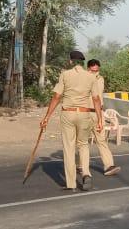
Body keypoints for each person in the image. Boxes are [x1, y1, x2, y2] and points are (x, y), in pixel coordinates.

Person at [40, 50, 103, 191]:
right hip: (85, 114)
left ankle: (71, 184)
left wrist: (47, 117)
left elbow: (56, 96)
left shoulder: (65, 75)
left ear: (71, 62)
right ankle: (86, 173)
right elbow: (96, 99)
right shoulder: (91, 77)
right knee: (83, 145)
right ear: (83, 63)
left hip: (68, 113)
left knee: (69, 147)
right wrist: (100, 119)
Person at [87, 59, 121, 177]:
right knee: (81, 141)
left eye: (97, 70)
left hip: (98, 113)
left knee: (101, 140)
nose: (95, 73)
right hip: (84, 113)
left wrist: (102, 114)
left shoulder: (100, 79)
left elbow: (99, 98)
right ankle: (79, 164)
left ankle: (109, 166)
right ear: (88, 69)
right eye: (93, 71)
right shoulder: (83, 79)